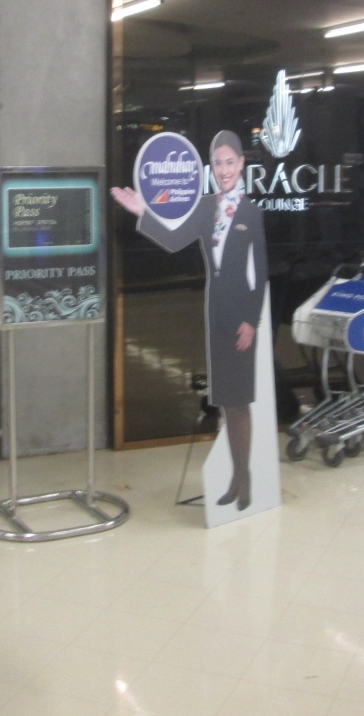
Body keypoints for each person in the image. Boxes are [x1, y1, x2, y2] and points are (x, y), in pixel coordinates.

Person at [111, 130, 268, 511]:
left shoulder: (251, 211)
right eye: (218, 163)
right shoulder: (205, 206)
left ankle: (244, 478)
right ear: (211, 167)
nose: (224, 170)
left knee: (239, 400)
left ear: (241, 164)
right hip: (215, 309)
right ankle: (236, 477)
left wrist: (251, 320)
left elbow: (260, 271)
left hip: (240, 315)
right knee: (226, 399)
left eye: (230, 162)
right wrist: (142, 212)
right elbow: (174, 240)